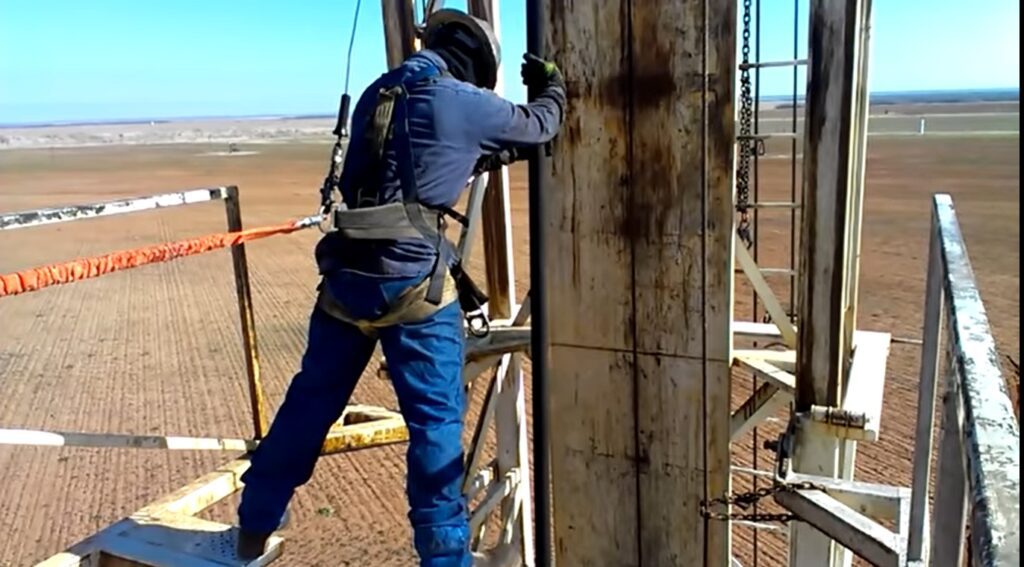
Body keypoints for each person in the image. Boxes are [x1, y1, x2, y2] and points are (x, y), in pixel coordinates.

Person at [235, 8, 566, 566]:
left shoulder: (377, 92)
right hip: (413, 288)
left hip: (345, 282)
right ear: (475, 65)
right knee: (435, 431)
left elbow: (402, 163)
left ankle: (255, 520)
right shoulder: (461, 100)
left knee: (309, 405)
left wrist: (475, 155)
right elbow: (538, 127)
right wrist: (552, 85)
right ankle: (443, 559)